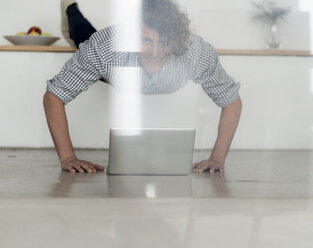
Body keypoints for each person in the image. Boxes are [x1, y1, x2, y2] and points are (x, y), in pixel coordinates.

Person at [43, 0, 242, 174]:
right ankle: (70, 8)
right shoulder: (105, 46)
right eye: (146, 40)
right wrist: (67, 157)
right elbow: (54, 96)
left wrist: (217, 158)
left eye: (164, 42)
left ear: (178, 40)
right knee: (82, 35)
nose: (155, 53)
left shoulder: (196, 52)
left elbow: (232, 101)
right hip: (114, 73)